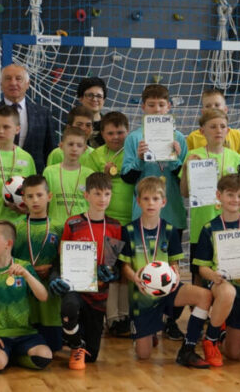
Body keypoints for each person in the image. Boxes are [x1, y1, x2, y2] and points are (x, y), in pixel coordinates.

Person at [118, 177, 215, 368]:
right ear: (138, 201)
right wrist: (134, 277)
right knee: (143, 356)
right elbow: (125, 266)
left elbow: (174, 262)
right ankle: (149, 332)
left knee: (204, 295)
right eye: (146, 199)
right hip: (142, 296)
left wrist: (176, 273)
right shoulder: (128, 230)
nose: (151, 203)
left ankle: (188, 348)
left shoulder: (170, 230)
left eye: (155, 199)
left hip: (167, 289)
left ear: (163, 202)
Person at [193, 175, 240, 366]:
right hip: (220, 286)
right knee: (228, 291)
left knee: (234, 355)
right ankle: (210, 340)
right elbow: (202, 268)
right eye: (230, 195)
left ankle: (222, 333)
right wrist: (213, 275)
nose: (235, 200)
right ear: (219, 195)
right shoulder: (209, 228)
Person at [50, 172, 123, 368]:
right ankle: (75, 345)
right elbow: (61, 259)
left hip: (98, 294)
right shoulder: (73, 223)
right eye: (97, 193)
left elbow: (113, 265)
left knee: (91, 357)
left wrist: (112, 273)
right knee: (69, 308)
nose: (102, 199)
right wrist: (55, 277)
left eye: (107, 194)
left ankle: (75, 340)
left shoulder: (115, 226)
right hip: (74, 288)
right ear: (86, 195)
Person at [0, 220, 52, 374]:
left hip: (25, 333)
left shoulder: (24, 266)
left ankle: (13, 356)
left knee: (45, 356)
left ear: (8, 243)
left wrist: (27, 275)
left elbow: (43, 296)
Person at [87, 112, 135, 336]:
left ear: (128, 131)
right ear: (102, 134)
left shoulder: (132, 151)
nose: (116, 136)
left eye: (120, 132)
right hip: (109, 223)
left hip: (132, 220)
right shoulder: (96, 155)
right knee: (110, 268)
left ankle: (125, 315)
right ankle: (112, 317)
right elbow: (90, 183)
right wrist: (102, 173)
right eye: (110, 133)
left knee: (127, 269)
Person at [120, 84, 188, 233]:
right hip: (142, 215)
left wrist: (174, 159)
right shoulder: (134, 138)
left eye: (161, 105)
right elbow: (127, 178)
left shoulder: (179, 138)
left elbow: (185, 183)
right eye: (151, 105)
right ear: (143, 107)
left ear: (169, 107)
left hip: (172, 214)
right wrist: (139, 159)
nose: (157, 109)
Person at [0, 64, 55, 172]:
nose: (13, 83)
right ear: (1, 84)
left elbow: (51, 153)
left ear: (28, 84)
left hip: (33, 178)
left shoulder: (43, 114)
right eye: (8, 78)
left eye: (18, 79)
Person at [11, 175, 64, 352]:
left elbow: (64, 261)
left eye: (39, 195)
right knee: (24, 347)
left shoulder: (59, 227)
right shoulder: (15, 228)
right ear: (24, 199)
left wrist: (52, 269)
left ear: (49, 196)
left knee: (53, 348)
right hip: (23, 296)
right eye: (30, 196)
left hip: (50, 299)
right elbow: (8, 259)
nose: (35, 200)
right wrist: (29, 270)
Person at [181, 109, 240, 254]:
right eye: (213, 127)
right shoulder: (193, 155)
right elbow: (185, 193)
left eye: (222, 126)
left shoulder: (236, 157)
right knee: (200, 267)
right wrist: (185, 169)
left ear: (228, 131)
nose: (218, 130)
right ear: (202, 131)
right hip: (201, 225)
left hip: (230, 225)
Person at [44, 127, 94, 223]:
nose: (74, 149)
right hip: (54, 226)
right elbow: (44, 204)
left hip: (81, 226)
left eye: (79, 145)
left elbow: (93, 205)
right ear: (61, 146)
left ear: (84, 149)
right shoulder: (49, 172)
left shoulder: (90, 174)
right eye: (70, 144)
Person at [74, 77, 108, 147]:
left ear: (104, 100)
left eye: (99, 96)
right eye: (90, 95)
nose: (94, 99)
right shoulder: (73, 124)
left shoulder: (109, 125)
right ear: (80, 98)